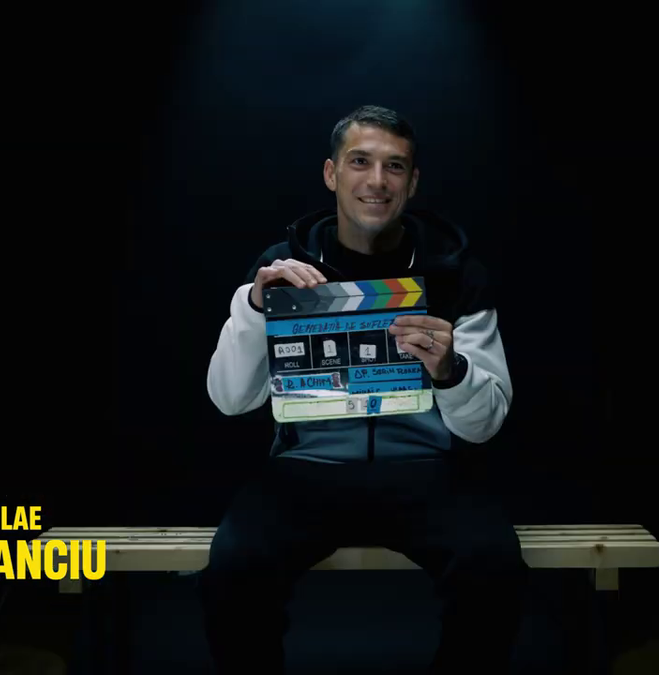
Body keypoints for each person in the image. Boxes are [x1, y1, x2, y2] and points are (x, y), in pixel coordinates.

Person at [201, 105, 526, 674]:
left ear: (412, 182)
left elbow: (484, 425)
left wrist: (451, 371)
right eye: (360, 162)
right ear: (331, 173)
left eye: (394, 166)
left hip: (424, 471)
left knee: (493, 562)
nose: (377, 181)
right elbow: (230, 399)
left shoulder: (456, 274)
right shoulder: (282, 270)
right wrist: (254, 306)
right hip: (305, 471)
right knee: (232, 564)